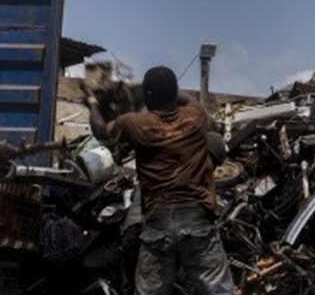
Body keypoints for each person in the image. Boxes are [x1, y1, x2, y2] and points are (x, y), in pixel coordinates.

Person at [84, 66, 233, 295]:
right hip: (197, 220)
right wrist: (167, 91)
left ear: (149, 95)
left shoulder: (135, 124)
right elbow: (190, 99)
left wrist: (93, 101)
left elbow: (101, 130)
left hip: (157, 222)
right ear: (175, 93)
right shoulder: (196, 116)